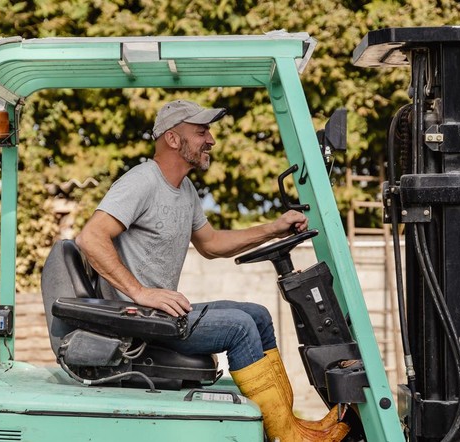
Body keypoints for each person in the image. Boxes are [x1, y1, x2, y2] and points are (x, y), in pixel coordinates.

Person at [75, 100, 350, 442]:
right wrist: (142, 293)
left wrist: (274, 228)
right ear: (173, 139)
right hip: (138, 321)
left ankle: (289, 426)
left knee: (258, 315)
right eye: (201, 131)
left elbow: (212, 243)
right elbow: (90, 237)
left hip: (159, 314)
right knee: (238, 327)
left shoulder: (184, 189)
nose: (211, 140)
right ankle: (285, 438)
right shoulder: (142, 181)